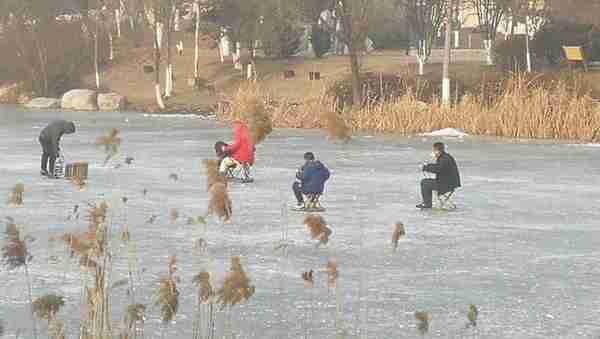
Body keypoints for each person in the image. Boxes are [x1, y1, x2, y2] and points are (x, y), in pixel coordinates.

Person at [417, 142, 461, 209]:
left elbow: (437, 169)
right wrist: (427, 166)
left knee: (424, 182)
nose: (433, 152)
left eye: (434, 150)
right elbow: (438, 167)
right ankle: (427, 203)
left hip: (446, 185)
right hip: (450, 183)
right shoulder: (445, 157)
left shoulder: (444, 159)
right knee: (426, 181)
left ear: (437, 151)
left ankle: (427, 204)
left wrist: (425, 168)